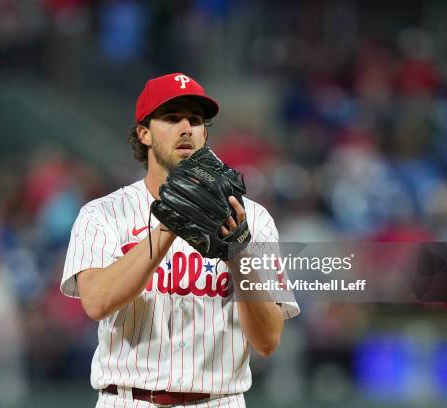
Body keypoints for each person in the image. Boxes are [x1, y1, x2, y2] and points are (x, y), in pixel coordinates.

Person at [61, 73, 300, 407]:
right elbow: (97, 302)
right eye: (172, 118)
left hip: (219, 400)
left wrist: (236, 251)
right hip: (130, 400)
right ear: (143, 133)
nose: (186, 127)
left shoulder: (252, 218)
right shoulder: (102, 214)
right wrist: (168, 227)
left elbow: (268, 340)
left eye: (196, 120)